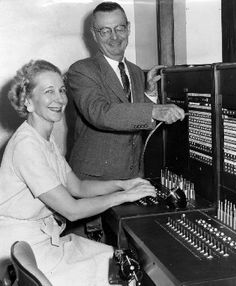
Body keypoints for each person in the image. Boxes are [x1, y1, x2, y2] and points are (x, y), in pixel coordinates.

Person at [0, 59, 156, 286]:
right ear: (28, 102)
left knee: (122, 261)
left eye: (61, 90)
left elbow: (77, 187)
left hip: (43, 239)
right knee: (123, 272)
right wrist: (124, 197)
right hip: (24, 247)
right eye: (49, 91)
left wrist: (123, 184)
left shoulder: (43, 138)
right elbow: (72, 210)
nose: (60, 99)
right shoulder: (27, 145)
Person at [67, 1, 186, 181]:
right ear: (94, 34)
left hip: (132, 178)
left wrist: (150, 95)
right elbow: (100, 113)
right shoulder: (81, 70)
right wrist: (153, 110)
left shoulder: (136, 72)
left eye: (119, 28)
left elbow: (133, 117)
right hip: (92, 181)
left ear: (128, 28)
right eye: (105, 31)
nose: (114, 37)